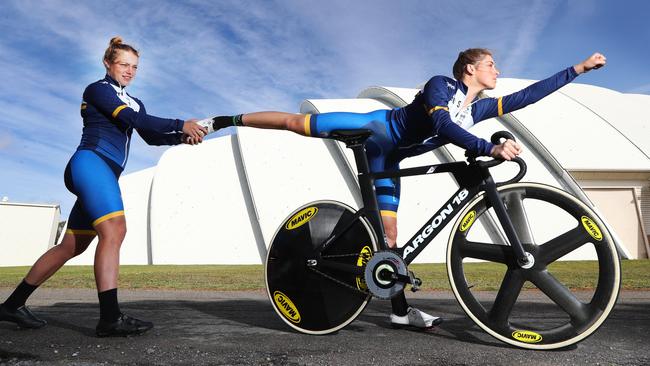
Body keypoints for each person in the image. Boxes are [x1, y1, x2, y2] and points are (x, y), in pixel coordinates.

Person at [193, 49, 607, 329]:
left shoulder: (478, 107)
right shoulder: (441, 86)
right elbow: (443, 126)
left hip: (387, 160)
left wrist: (578, 70)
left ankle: (399, 311)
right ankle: (224, 119)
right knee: (293, 124)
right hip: (372, 129)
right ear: (470, 68)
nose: (497, 71)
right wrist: (488, 146)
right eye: (491, 64)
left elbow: (526, 96)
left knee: (389, 241)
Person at [0, 37, 207, 337]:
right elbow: (131, 119)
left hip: (103, 173)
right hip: (90, 163)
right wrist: (180, 122)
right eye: (124, 64)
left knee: (72, 245)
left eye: (134, 67)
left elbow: (149, 134)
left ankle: (11, 305)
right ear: (108, 63)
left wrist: (181, 137)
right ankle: (110, 318)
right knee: (115, 230)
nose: (129, 70)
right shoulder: (97, 90)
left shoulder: (136, 101)